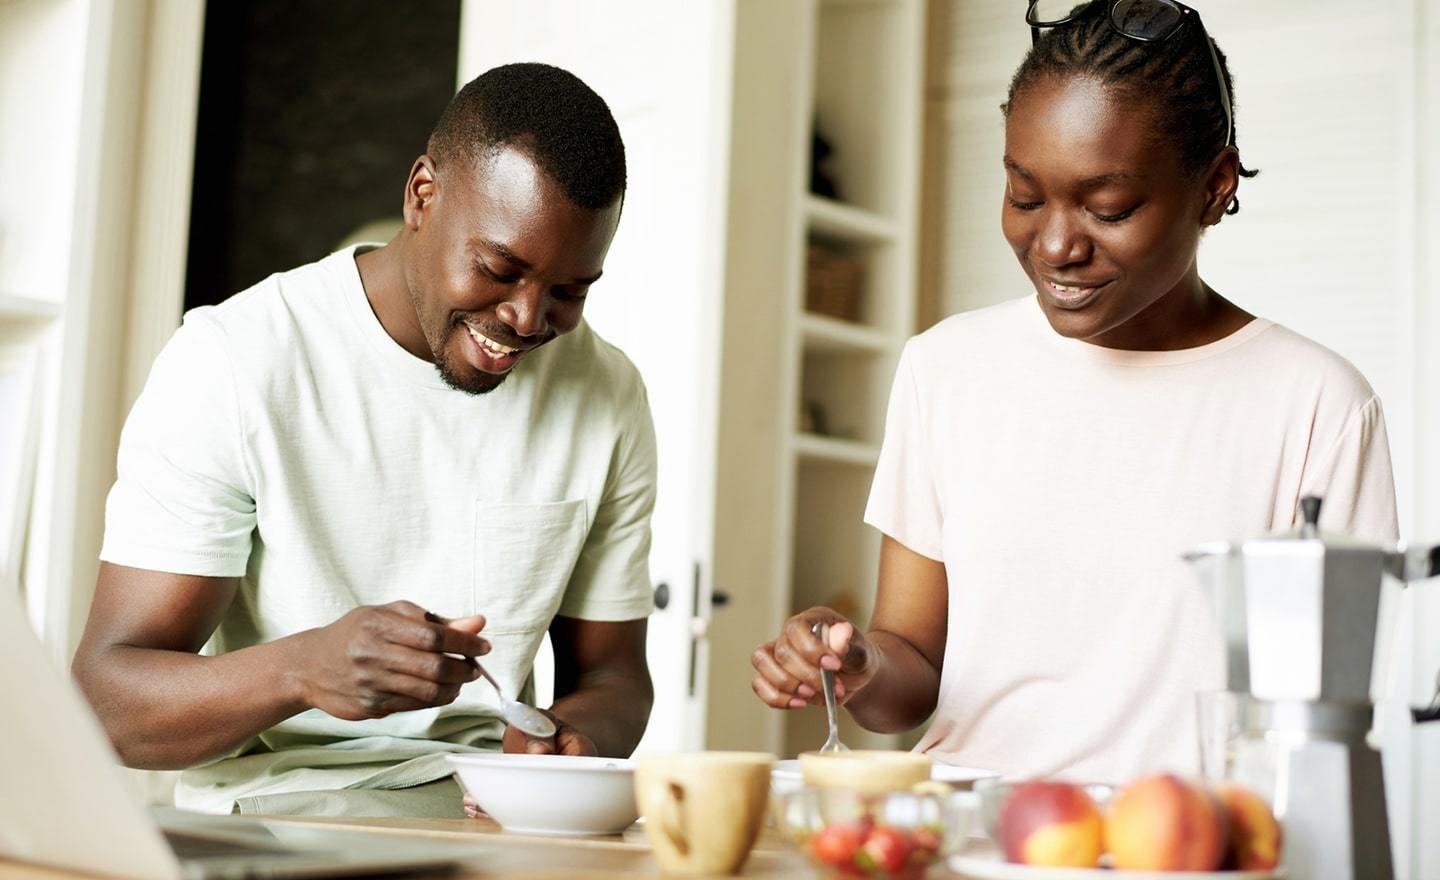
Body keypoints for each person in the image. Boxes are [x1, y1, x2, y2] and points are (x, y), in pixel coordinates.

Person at [749, 0, 1397, 783]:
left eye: (1108, 208)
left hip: (1187, 836)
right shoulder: (946, 368)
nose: (1056, 244)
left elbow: (1327, 714)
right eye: (1025, 196)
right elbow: (910, 672)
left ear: (1214, 185)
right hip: (970, 826)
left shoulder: (1317, 404)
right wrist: (857, 665)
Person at [71, 62, 657, 818]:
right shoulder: (235, 362)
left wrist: (573, 743)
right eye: (498, 268)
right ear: (422, 195)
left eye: (570, 291)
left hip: (494, 814)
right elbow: (108, 702)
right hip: (281, 812)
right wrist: (301, 670)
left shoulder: (607, 394)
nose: (526, 318)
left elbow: (614, 676)